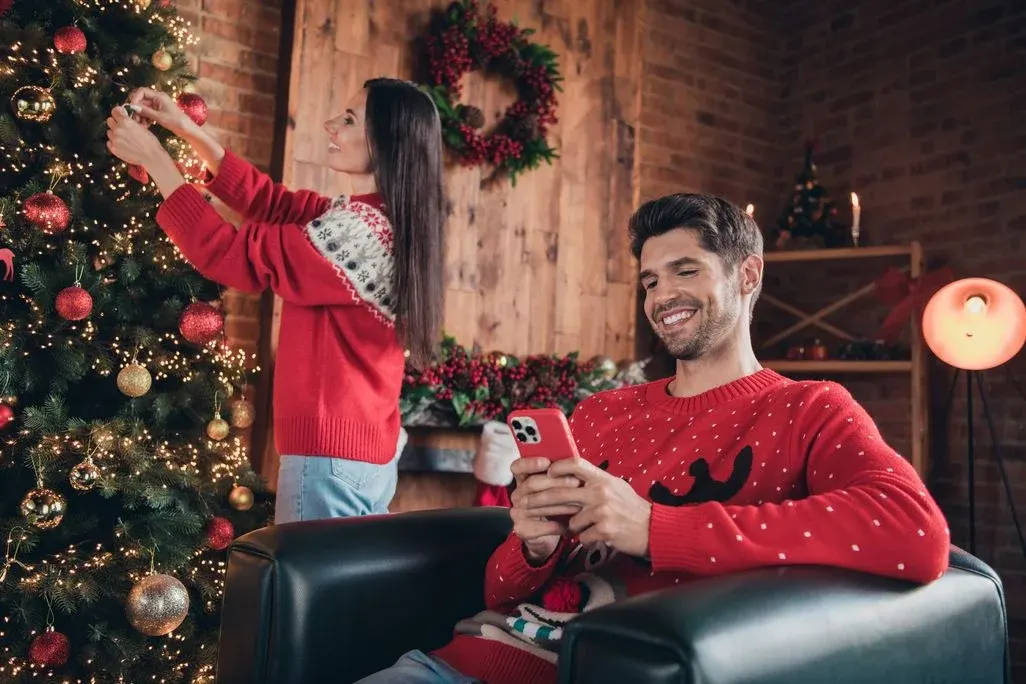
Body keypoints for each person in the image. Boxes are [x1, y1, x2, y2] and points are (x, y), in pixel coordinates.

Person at [353, 193, 951, 684]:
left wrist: (653, 528)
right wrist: (532, 546)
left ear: (747, 274)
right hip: (457, 663)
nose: (662, 297)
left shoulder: (806, 408)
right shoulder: (599, 413)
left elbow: (915, 534)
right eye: (649, 281)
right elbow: (499, 591)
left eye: (685, 271)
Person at [105, 77, 446, 524]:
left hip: (330, 460)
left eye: (348, 119)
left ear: (387, 140)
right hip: (356, 455)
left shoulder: (360, 234)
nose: (331, 126)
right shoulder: (374, 218)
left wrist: (155, 160)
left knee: (308, 594)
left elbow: (230, 257)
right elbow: (273, 203)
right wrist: (183, 126)